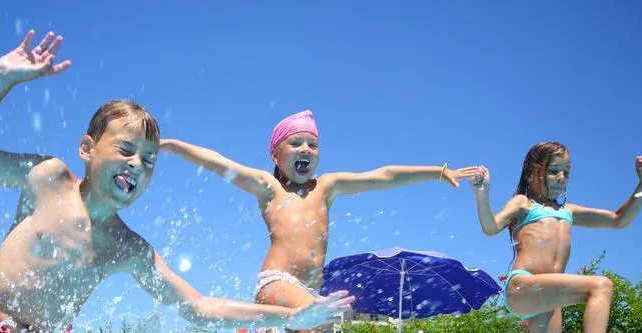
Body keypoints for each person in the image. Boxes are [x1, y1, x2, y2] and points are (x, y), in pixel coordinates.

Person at [0, 30, 353, 333]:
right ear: (87, 148)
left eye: (149, 160)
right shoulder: (48, 180)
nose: (137, 164)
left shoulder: (130, 249)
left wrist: (292, 319)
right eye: (126, 150)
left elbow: (200, 308)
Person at [160, 110, 483, 332]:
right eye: (296, 143)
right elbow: (218, 162)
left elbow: (383, 175)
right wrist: (173, 146)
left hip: (309, 291)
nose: (306, 149)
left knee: (325, 320)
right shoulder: (268, 188)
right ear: (275, 154)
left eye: (312, 145)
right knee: (333, 315)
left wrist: (438, 172)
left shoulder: (326, 187)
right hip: (276, 282)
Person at [469, 141, 642, 333]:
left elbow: (619, 220)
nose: (561, 177)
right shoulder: (523, 203)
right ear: (530, 174)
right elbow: (491, 228)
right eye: (553, 170)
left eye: (566, 172)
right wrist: (482, 197)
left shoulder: (568, 211)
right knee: (601, 286)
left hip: (548, 293)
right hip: (524, 286)